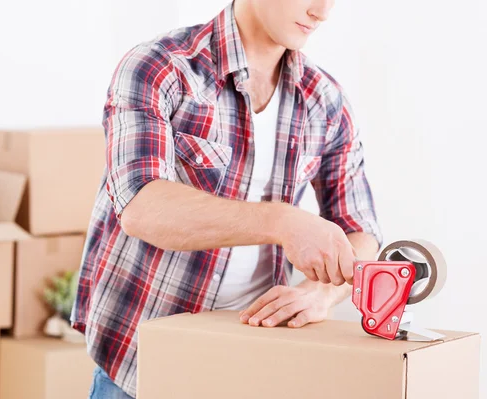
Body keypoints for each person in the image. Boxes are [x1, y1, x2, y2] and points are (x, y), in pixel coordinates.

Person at [72, 0, 382, 397]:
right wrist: (283, 222)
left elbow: (362, 231)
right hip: (141, 367)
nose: (322, 11)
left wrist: (320, 293)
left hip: (250, 365)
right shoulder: (160, 66)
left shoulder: (325, 101)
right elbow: (141, 207)